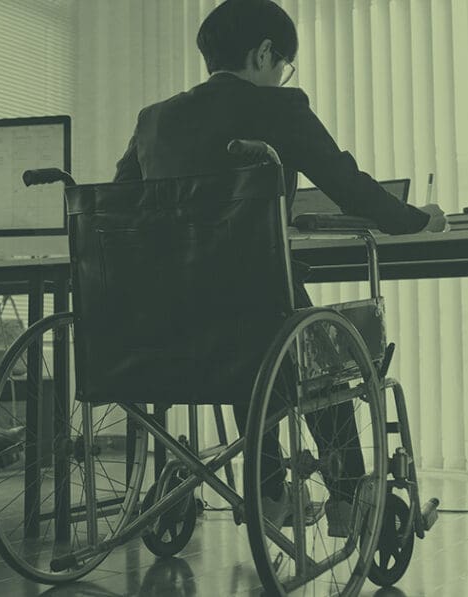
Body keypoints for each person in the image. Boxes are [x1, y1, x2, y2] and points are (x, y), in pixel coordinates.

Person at [113, 0, 446, 535]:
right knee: (326, 347)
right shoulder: (280, 109)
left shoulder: (154, 121)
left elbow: (118, 209)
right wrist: (417, 220)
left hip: (167, 327)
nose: (282, 75)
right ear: (265, 52)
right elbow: (348, 185)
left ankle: (268, 491)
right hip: (257, 321)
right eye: (284, 63)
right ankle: (347, 500)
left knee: (259, 320)